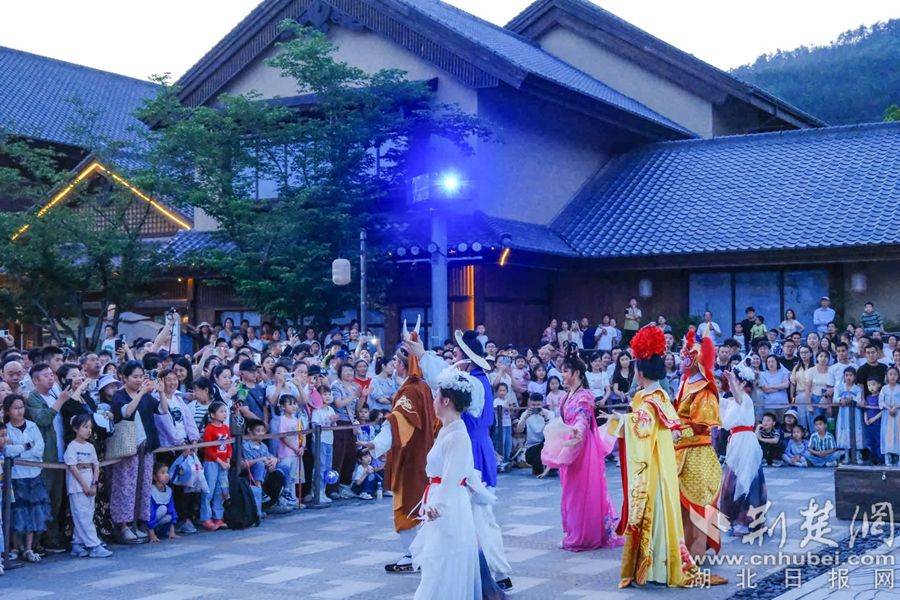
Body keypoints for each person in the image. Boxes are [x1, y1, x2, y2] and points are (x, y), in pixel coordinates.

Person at [605, 326, 718, 588]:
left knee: (653, 514)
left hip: (654, 467)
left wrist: (621, 422)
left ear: (641, 372)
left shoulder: (652, 399)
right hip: (659, 463)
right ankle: (656, 566)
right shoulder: (656, 396)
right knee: (658, 514)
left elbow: (642, 429)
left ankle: (656, 569)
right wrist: (624, 421)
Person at [408, 369, 483, 600]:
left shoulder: (457, 435)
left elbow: (452, 477)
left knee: (443, 561)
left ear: (446, 401)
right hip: (441, 498)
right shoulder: (447, 430)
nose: (433, 401)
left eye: (436, 396)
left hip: (448, 504)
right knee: (436, 563)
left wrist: (438, 505)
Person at [368, 325, 437, 574]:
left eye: (398, 361)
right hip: (425, 453)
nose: (395, 365)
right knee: (421, 504)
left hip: (410, 456)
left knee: (406, 504)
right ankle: (422, 552)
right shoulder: (424, 387)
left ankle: (412, 554)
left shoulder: (409, 390)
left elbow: (400, 420)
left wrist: (376, 444)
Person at [553, 345, 622, 551]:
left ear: (576, 373)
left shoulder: (584, 396)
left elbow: (582, 418)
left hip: (583, 446)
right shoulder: (566, 396)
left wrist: (578, 431)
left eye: (566, 371)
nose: (563, 375)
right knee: (570, 489)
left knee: (582, 490)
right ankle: (575, 530)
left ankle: (584, 535)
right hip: (570, 443)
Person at [672, 329, 723, 557]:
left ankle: (696, 551)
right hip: (680, 450)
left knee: (697, 502)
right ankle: (683, 547)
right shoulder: (685, 382)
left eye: (689, 353)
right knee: (681, 503)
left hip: (697, 451)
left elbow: (701, 426)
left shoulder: (704, 388)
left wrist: (676, 431)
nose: (684, 357)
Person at [4, 394, 52, 563]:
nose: (20, 411)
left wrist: (19, 450)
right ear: (8, 411)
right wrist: (26, 446)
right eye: (15, 408)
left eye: (21, 407)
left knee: (33, 511)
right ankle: (16, 547)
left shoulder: (32, 426)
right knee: (17, 511)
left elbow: (39, 449)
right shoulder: (6, 429)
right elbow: (7, 451)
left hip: (34, 474)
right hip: (16, 476)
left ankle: (29, 548)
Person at [719, 370, 767, 537]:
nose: (732, 385)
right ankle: (734, 520)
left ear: (744, 384)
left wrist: (731, 380)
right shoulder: (731, 402)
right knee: (733, 479)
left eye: (736, 382)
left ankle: (745, 522)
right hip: (736, 441)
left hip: (746, 441)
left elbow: (738, 397)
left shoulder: (745, 399)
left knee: (746, 479)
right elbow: (716, 400)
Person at [64, 414, 112, 557]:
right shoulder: (72, 447)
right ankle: (93, 545)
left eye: (90, 427)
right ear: (75, 429)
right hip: (77, 487)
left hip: (90, 483)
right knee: (82, 515)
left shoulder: (90, 446)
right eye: (85, 427)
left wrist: (94, 484)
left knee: (88, 514)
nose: (89, 430)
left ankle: (77, 543)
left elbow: (96, 465)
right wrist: (84, 486)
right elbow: (73, 468)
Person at [200, 401, 231, 531]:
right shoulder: (209, 429)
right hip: (212, 463)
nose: (224, 414)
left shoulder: (226, 428)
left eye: (225, 411)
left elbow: (228, 446)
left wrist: (228, 460)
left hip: (224, 464)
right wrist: (220, 461)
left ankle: (218, 516)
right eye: (221, 411)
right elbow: (208, 450)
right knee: (209, 490)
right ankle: (206, 518)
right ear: (212, 415)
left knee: (221, 490)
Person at [311, 384, 337, 504]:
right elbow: (315, 425)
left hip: (329, 440)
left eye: (329, 394)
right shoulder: (316, 411)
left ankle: (323, 491)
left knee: (327, 467)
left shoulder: (331, 409)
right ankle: (317, 491)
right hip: (320, 441)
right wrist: (328, 421)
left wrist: (333, 421)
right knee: (320, 466)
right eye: (324, 394)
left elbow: (334, 426)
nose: (327, 396)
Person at [516, 393, 552, 477]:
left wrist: (545, 418)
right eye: (533, 405)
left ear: (542, 404)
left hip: (546, 444)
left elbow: (551, 432)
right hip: (531, 446)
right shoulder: (525, 414)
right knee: (534, 458)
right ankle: (538, 466)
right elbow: (519, 430)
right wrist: (525, 418)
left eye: (538, 405)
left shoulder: (549, 414)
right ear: (529, 403)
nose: (535, 407)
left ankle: (549, 467)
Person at [834, 367, 864, 464]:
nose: (848, 377)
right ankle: (846, 456)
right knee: (845, 432)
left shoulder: (858, 389)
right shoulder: (839, 387)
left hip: (855, 414)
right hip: (843, 414)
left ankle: (857, 456)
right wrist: (841, 400)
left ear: (854, 377)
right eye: (846, 375)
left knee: (856, 431)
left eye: (850, 375)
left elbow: (859, 400)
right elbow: (835, 398)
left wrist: (852, 398)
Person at [148, 462, 178, 542]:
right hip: (149, 521)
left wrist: (172, 531)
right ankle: (150, 532)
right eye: (163, 473)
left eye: (167, 472)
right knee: (163, 508)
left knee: (170, 516)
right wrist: (152, 534)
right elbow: (150, 512)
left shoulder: (168, 490)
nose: (166, 475)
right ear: (155, 477)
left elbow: (172, 509)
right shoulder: (151, 490)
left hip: (158, 521)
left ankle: (162, 531)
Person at [880, 367, 900, 466]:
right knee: (887, 435)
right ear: (887, 376)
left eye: (895, 374)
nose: (893, 376)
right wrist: (888, 408)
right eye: (890, 374)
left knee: (898, 435)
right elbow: (881, 401)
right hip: (887, 415)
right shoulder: (884, 388)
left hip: (898, 415)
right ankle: (887, 458)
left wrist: (895, 407)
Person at [863, 377, 884, 464]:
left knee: (878, 441)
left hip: (878, 423)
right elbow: (865, 409)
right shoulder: (867, 397)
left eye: (873, 385)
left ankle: (880, 459)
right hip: (869, 424)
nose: (871, 387)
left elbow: (882, 411)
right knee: (870, 442)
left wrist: (874, 419)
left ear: (879, 385)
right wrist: (866, 419)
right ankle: (872, 459)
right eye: (869, 385)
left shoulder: (880, 397)